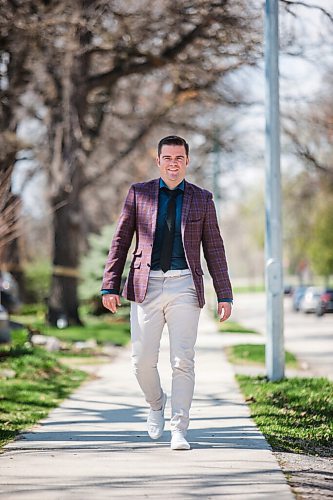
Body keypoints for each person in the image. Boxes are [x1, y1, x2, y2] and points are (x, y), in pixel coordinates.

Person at [101, 135, 233, 451]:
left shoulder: (202, 199)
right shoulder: (139, 194)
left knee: (182, 360)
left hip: (185, 284)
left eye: (179, 158)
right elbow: (120, 241)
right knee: (141, 360)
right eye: (167, 158)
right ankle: (156, 403)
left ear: (187, 162)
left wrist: (224, 294)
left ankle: (179, 429)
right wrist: (110, 283)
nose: (173, 164)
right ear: (158, 161)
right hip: (145, 286)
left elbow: (214, 248)